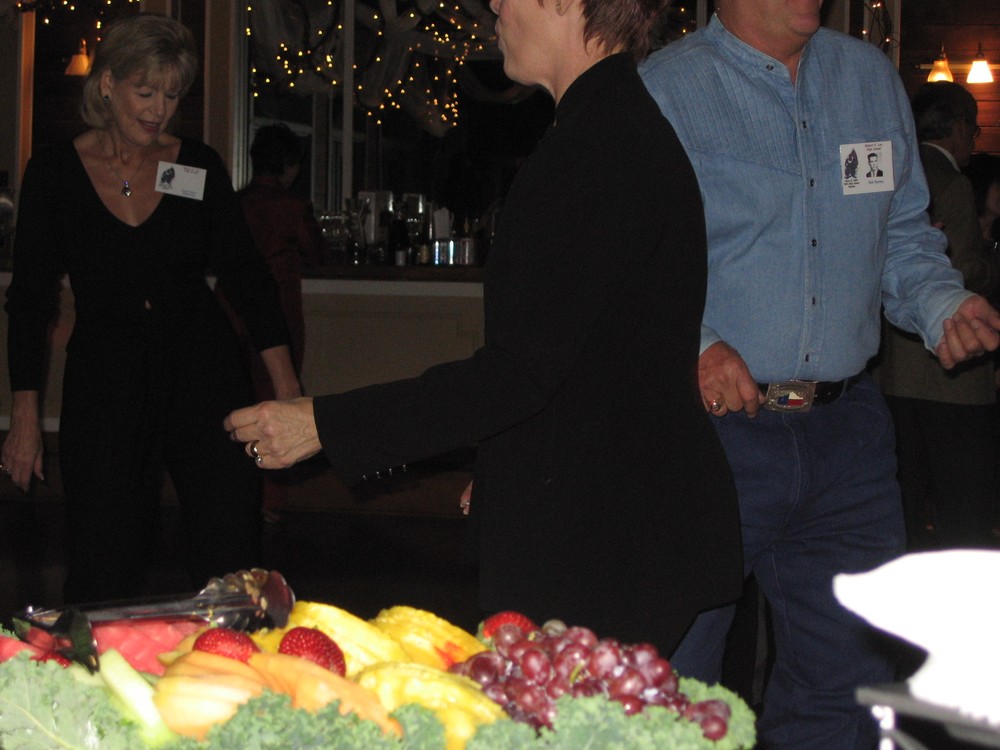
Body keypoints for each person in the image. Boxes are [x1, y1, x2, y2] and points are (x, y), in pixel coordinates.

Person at [224, 0, 744, 656]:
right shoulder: (610, 128)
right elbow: (594, 360)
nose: (494, 4)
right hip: (623, 525)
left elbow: (520, 372)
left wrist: (325, 424)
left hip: (611, 547)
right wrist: (508, 467)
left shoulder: (597, 147)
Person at [639, 2, 1000, 748]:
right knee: (675, 687)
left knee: (845, 687)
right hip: (710, 436)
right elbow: (627, 260)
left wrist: (942, 304)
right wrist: (694, 344)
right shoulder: (665, 89)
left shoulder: (869, 79)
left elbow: (902, 236)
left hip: (848, 439)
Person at [1, 14, 301, 604]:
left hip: (203, 374)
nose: (160, 110)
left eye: (171, 95)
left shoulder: (192, 167)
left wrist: (287, 386)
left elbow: (245, 276)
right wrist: (25, 416)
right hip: (105, 382)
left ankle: (232, 660)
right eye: (146, 92)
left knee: (230, 563)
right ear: (107, 83)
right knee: (102, 565)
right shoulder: (56, 173)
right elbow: (30, 298)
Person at [874, 82, 1000, 550]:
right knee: (962, 509)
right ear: (958, 127)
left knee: (903, 501)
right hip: (951, 373)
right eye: (974, 129)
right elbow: (963, 271)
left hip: (891, 375)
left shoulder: (896, 170)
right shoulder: (952, 182)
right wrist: (988, 254)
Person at [217, 123, 324, 519]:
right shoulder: (292, 206)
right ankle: (269, 501)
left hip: (229, 307)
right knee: (276, 403)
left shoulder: (235, 202)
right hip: (277, 311)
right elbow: (318, 255)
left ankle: (234, 497)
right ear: (290, 164)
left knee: (233, 399)